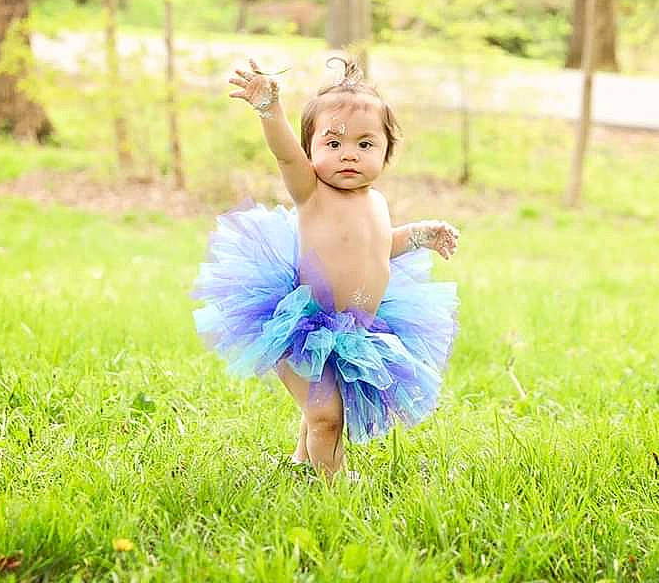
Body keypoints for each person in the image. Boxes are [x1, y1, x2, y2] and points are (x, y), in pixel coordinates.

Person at [191, 55, 459, 479]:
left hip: (357, 327)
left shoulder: (376, 202)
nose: (348, 155)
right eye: (332, 144)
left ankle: (302, 464)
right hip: (303, 325)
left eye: (364, 144)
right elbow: (285, 156)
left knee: (326, 408)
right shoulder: (311, 190)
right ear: (312, 149)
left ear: (387, 150)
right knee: (326, 415)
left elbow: (378, 247)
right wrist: (269, 110)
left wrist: (419, 237)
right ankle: (333, 490)